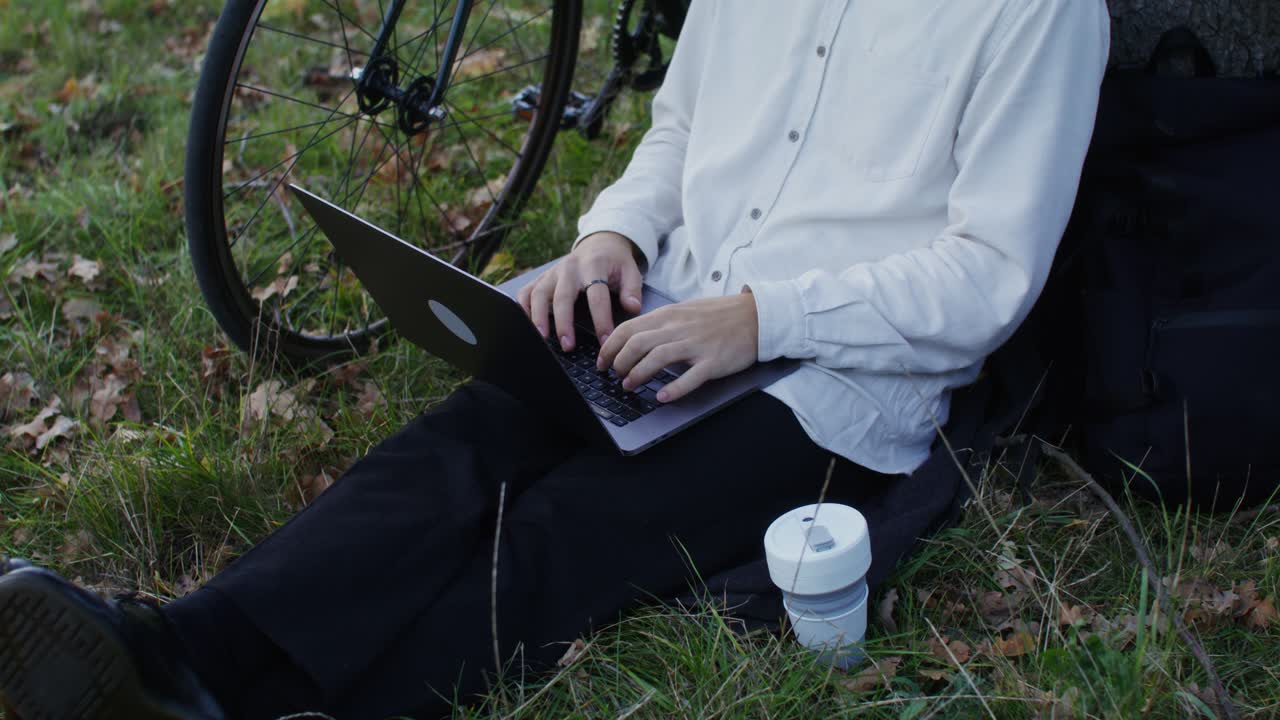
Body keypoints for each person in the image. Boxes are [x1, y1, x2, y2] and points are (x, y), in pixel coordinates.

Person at [0, 1, 1110, 718]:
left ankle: (274, 707)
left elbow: (986, 278)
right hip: (660, 303)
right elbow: (678, 129)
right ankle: (174, 650)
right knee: (453, 450)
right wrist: (609, 235)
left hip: (831, 381)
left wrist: (758, 319)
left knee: (564, 532)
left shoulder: (1041, 14)